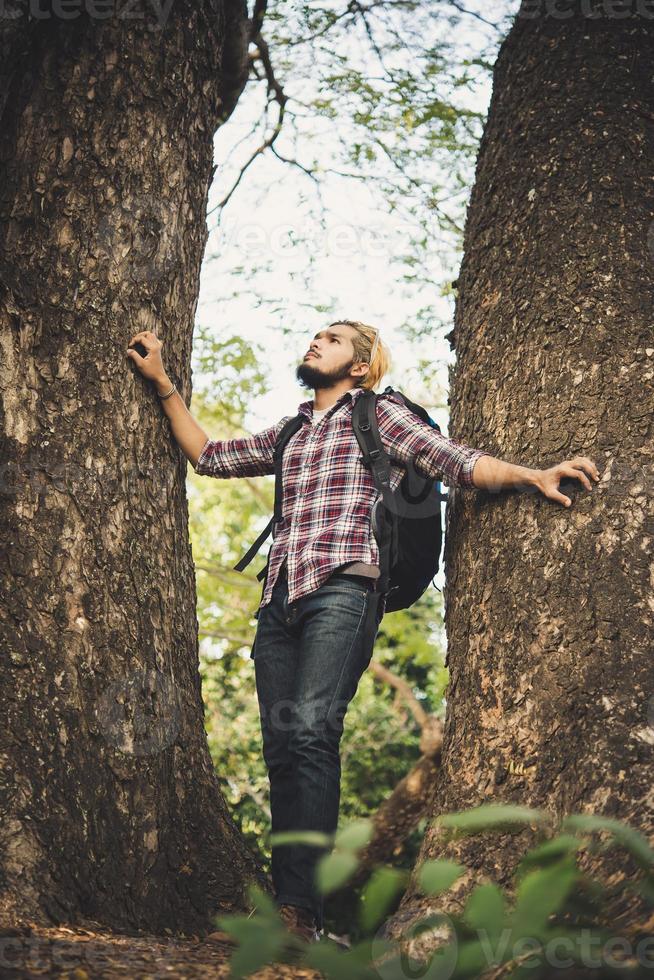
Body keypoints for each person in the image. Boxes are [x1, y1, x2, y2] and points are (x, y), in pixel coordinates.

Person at [126, 320, 600, 941]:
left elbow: (455, 462)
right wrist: (162, 381)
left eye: (334, 338)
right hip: (278, 603)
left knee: (313, 736)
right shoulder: (293, 431)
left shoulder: (380, 415)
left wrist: (532, 473)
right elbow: (211, 457)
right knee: (281, 749)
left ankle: (299, 913)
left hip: (346, 591)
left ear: (360, 366)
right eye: (316, 335)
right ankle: (289, 906)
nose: (317, 341)